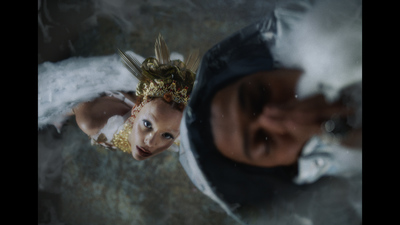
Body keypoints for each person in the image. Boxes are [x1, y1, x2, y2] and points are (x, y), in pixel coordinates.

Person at [178, 0, 361, 224]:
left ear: (265, 70)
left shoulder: (322, 22)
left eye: (260, 96)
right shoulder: (339, 196)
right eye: (264, 140)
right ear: (281, 166)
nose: (275, 117)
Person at [39, 34, 199, 160]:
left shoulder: (179, 133)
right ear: (136, 108)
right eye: (147, 124)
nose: (150, 142)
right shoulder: (92, 121)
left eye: (167, 135)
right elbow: (72, 98)